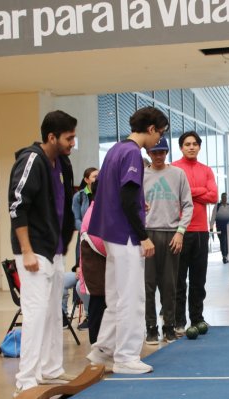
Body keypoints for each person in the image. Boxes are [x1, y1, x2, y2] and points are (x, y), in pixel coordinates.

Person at [86, 106, 168, 375]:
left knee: (117, 296)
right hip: (125, 235)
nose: (159, 141)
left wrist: (136, 204)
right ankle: (126, 357)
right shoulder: (132, 152)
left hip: (111, 233)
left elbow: (121, 194)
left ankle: (103, 350)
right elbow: (126, 197)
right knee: (132, 298)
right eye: (160, 134)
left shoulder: (114, 150)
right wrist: (143, 236)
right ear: (151, 128)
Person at [8, 110, 77, 396]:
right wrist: (26, 251)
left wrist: (64, 241)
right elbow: (17, 206)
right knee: (35, 314)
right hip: (33, 250)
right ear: (51, 137)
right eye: (69, 138)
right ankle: (26, 379)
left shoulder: (62, 162)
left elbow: (66, 204)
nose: (73, 142)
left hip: (55, 248)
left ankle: (51, 368)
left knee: (52, 312)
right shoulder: (31, 160)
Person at [143, 137, 193, 345]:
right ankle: (151, 328)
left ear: (167, 153)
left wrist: (180, 232)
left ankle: (169, 327)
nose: (158, 156)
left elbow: (188, 205)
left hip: (171, 234)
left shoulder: (177, 174)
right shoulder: (141, 176)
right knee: (148, 286)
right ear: (149, 154)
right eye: (154, 152)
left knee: (170, 285)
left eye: (162, 152)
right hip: (147, 234)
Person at [172, 131, 218, 336]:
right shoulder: (173, 168)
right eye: (187, 144)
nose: (191, 147)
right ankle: (179, 320)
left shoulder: (206, 170)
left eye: (194, 144)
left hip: (200, 231)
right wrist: (200, 192)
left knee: (199, 280)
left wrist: (189, 191)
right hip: (178, 231)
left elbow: (214, 196)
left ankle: (197, 318)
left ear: (199, 147)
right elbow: (174, 196)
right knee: (179, 279)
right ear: (181, 147)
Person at [79, 180, 107, 346]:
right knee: (97, 305)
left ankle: (100, 342)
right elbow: (101, 243)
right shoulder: (95, 212)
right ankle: (96, 343)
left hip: (99, 266)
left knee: (101, 304)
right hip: (95, 267)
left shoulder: (99, 209)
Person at [72, 167, 98, 262]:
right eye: (95, 176)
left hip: (100, 237)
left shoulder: (104, 194)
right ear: (86, 180)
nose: (98, 178)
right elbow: (76, 218)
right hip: (85, 237)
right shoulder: (79, 196)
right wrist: (85, 231)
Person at [210, 193, 229, 264]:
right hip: (220, 228)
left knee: (228, 242)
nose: (224, 199)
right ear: (221, 198)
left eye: (225, 198)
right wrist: (211, 227)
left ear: (227, 198)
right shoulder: (217, 206)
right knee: (223, 241)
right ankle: (224, 256)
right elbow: (213, 217)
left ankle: (226, 256)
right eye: (223, 198)